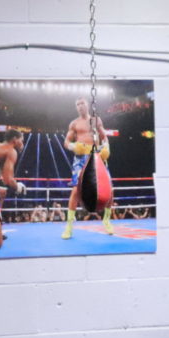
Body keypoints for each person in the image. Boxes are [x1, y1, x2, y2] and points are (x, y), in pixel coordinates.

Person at [61, 97, 114, 239]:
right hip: (81, 157)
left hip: (97, 155)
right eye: (77, 104)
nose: (80, 106)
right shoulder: (74, 123)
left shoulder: (97, 120)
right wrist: (74, 146)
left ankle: (106, 220)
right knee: (75, 190)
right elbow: (66, 142)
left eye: (82, 103)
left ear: (87, 105)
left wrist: (106, 147)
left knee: (109, 189)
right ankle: (69, 226)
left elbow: (104, 137)